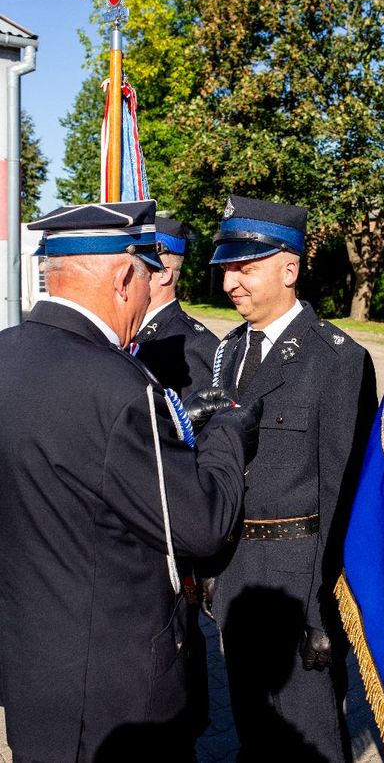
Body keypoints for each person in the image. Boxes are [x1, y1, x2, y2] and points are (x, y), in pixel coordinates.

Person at [0, 200, 258, 763]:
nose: (147, 301)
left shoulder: (7, 355)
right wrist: (227, 433)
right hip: (117, 691)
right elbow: (201, 526)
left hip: (32, 673)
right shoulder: (119, 387)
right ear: (123, 277)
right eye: (146, 279)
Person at [203, 194, 378, 762]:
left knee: (311, 740)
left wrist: (324, 607)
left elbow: (344, 492)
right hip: (236, 578)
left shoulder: (337, 359)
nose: (232, 283)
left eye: (245, 268)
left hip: (298, 583)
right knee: (254, 729)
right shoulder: (228, 352)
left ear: (289, 268)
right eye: (227, 268)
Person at [130, 214, 219, 737]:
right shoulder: (134, 338)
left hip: (171, 539)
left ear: (162, 271)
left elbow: (199, 457)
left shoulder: (191, 345)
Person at [130, 215, 219, 400]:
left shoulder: (194, 345)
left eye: (135, 268)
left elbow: (192, 426)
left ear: (163, 274)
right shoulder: (127, 331)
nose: (124, 276)